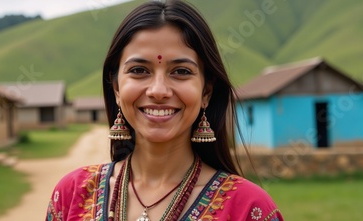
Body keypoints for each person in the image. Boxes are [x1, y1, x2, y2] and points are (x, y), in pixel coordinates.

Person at [46, 0, 284, 220]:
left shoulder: (248, 209)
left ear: (206, 92)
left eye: (181, 71)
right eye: (139, 70)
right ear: (117, 88)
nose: (158, 91)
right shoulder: (72, 195)